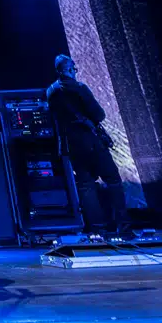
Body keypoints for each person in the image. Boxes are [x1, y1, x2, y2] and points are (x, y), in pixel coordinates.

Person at [46, 54, 129, 236]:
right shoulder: (80, 88)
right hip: (91, 141)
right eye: (74, 69)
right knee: (113, 180)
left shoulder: (50, 91)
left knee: (85, 186)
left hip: (72, 145)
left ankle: (97, 230)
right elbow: (99, 115)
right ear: (69, 69)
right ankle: (123, 227)